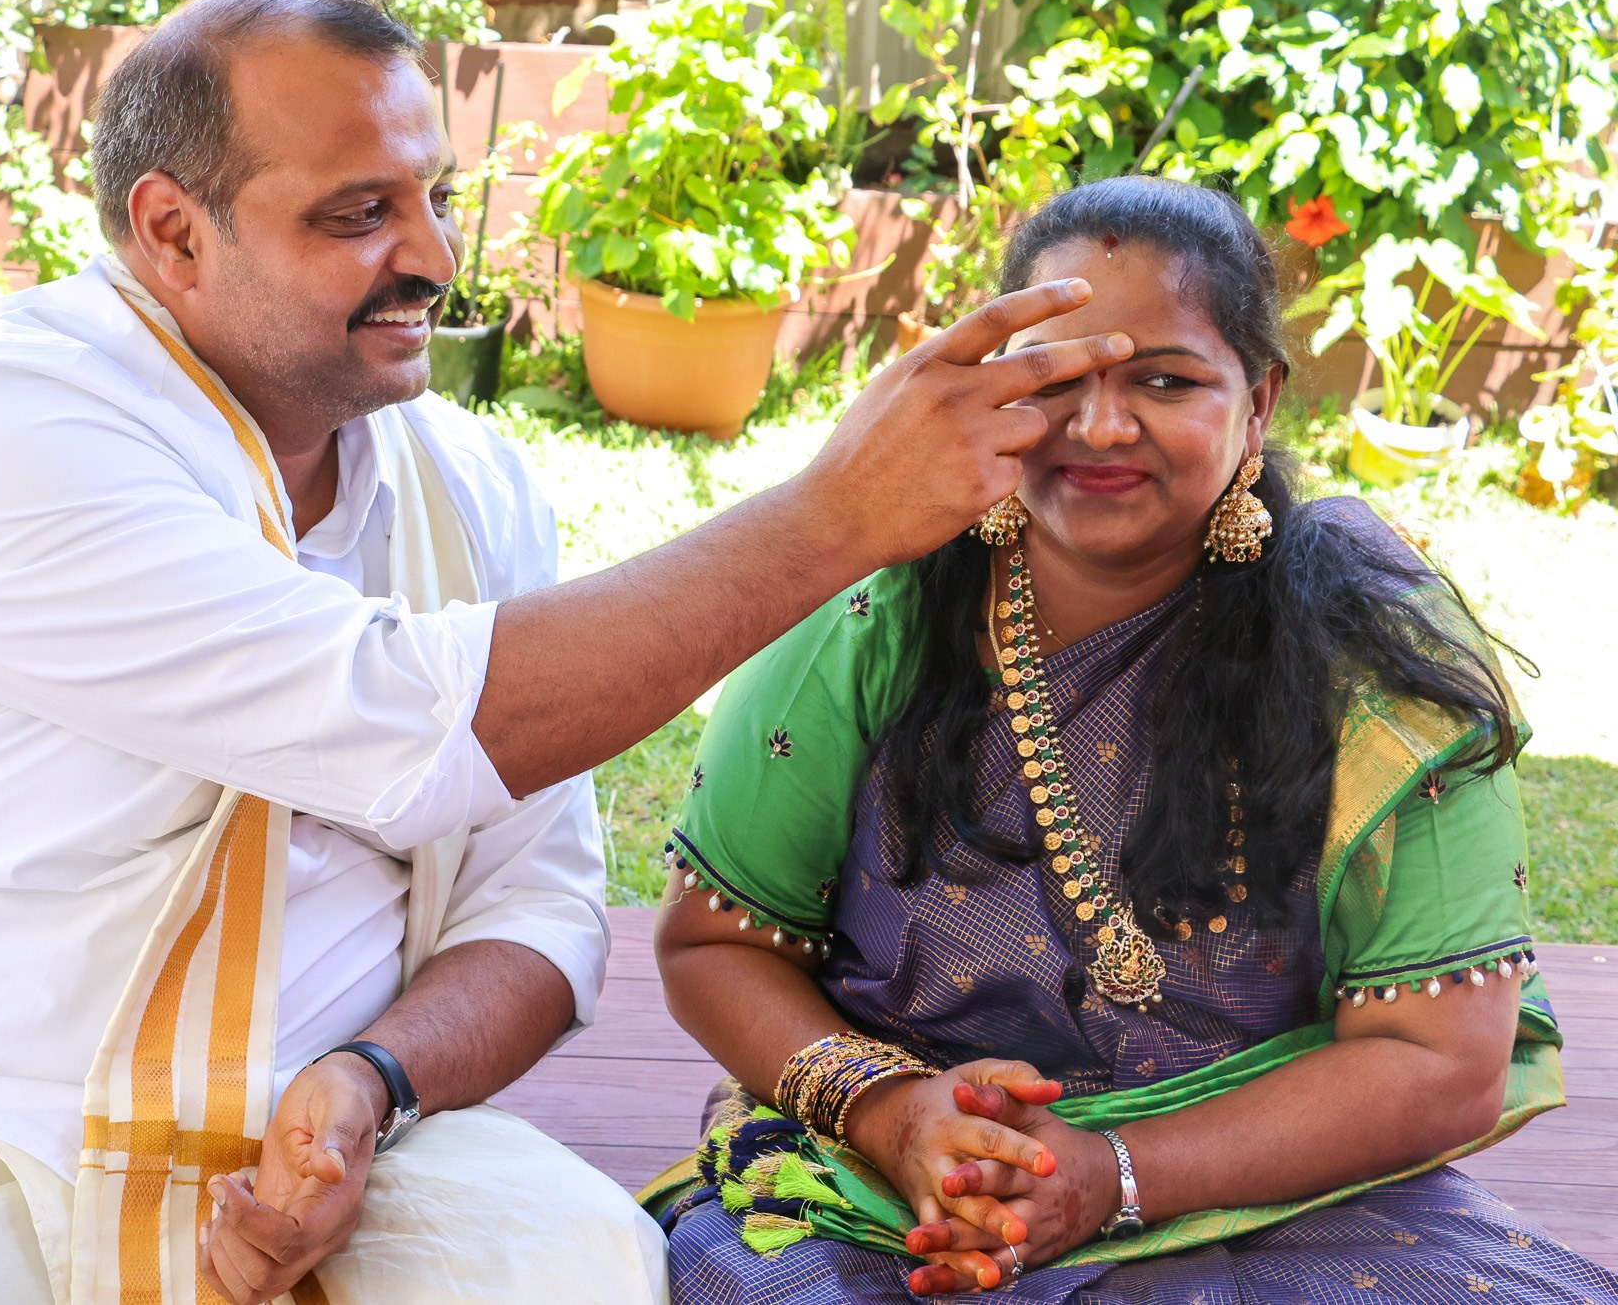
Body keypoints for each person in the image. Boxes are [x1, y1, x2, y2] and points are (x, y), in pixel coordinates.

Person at [0, 0, 1137, 1305]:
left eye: (435, 198)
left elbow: (539, 908)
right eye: (356, 215)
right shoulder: (10, 425)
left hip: (322, 1143)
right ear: (171, 234)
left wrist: (371, 1084)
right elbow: (401, 717)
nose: (436, 260)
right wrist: (833, 517)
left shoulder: (469, 483)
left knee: (578, 1267)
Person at [647, 176, 1618, 1303]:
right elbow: (717, 946)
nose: (1101, 426)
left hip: (1277, 1192)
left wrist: (1110, 1172)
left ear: (1254, 406)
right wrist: (897, 1116)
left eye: (1164, 380)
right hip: (881, 1196)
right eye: (1056, 378)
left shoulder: (1371, 661)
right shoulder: (871, 606)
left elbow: (1439, 1064)